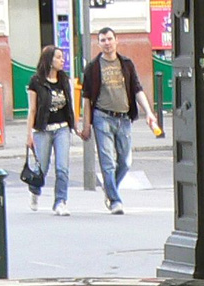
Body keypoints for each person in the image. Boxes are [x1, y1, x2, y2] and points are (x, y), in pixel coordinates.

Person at [78, 27, 158, 215]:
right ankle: (115, 200)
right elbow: (87, 98)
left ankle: (109, 187)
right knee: (107, 162)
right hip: (102, 117)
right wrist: (86, 124)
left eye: (109, 39)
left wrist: (149, 112)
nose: (107, 43)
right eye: (103, 40)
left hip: (123, 119)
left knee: (126, 161)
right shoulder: (93, 67)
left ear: (116, 40)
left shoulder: (127, 64)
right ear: (98, 43)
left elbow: (137, 89)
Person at [24, 45, 73, 216]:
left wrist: (75, 125)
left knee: (62, 167)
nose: (62, 60)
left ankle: (60, 201)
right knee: (42, 168)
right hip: (43, 130)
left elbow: (69, 106)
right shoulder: (36, 81)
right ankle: (35, 191)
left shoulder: (64, 79)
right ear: (50, 60)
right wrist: (29, 134)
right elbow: (32, 110)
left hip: (62, 129)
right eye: (59, 57)